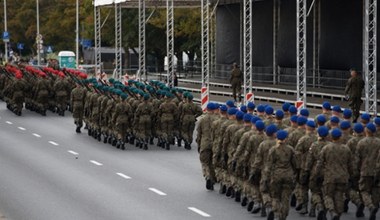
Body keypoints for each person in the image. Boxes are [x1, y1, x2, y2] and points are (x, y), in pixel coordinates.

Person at [315, 128, 353, 220]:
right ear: (340, 137)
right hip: (342, 176)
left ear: (331, 137)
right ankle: (338, 213)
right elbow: (350, 164)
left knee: (328, 195)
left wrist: (317, 175)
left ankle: (332, 211)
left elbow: (320, 163)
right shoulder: (346, 148)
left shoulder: (326, 148)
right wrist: (351, 175)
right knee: (339, 195)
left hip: (329, 176)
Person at [263, 130, 299, 220]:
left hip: (276, 175)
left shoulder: (273, 150)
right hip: (288, 175)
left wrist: (266, 178)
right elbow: (295, 164)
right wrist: (294, 173)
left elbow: (269, 165)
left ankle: (276, 212)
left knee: (275, 196)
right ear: (286, 139)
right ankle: (283, 216)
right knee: (286, 198)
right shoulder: (290, 149)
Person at [355, 123, 380, 220]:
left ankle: (370, 206)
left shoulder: (361, 143)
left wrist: (356, 171)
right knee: (375, 190)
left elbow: (357, 159)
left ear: (366, 131)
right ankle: (375, 205)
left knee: (364, 191)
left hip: (365, 170)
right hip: (377, 171)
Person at [197, 102, 218, 190]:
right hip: (215, 143)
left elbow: (199, 133)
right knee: (212, 163)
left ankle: (207, 176)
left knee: (204, 162)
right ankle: (213, 178)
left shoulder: (202, 119)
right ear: (214, 110)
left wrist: (199, 144)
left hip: (205, 143)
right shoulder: (217, 120)